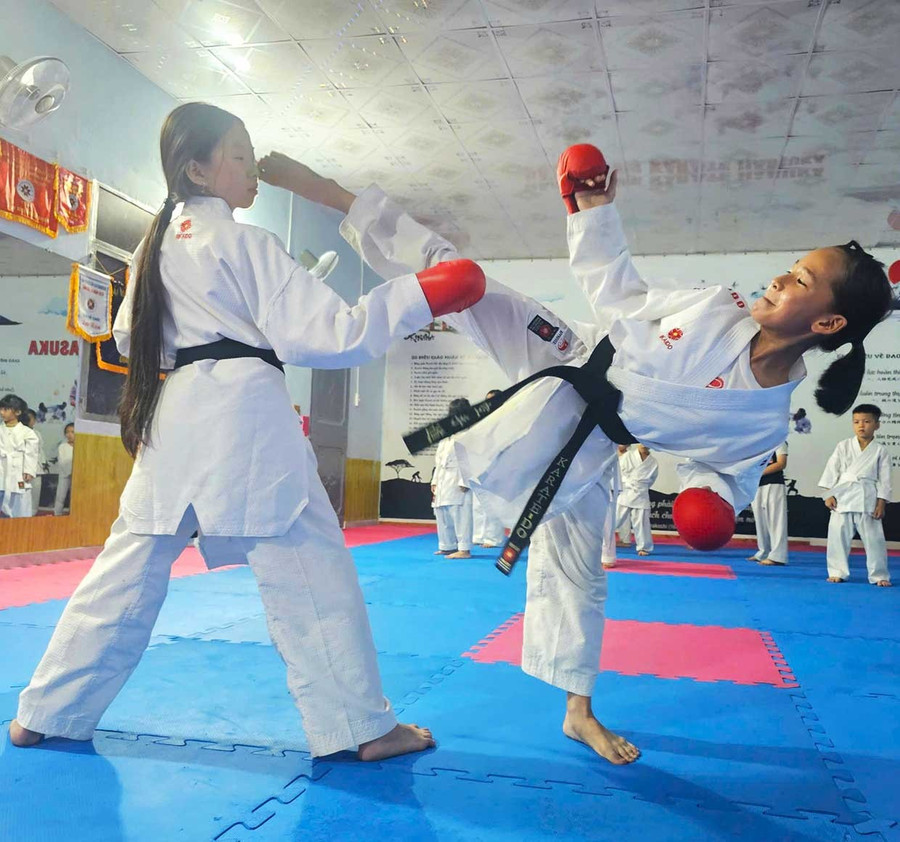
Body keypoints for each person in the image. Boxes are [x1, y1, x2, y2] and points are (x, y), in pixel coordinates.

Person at [257, 144, 894, 766]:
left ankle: (578, 711)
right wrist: (594, 212)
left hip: (591, 444)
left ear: (827, 324)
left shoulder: (763, 418)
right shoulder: (717, 307)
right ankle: (330, 195)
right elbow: (622, 296)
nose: (780, 278)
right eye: (791, 267)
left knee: (581, 577)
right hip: (568, 351)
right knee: (463, 280)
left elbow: (726, 471)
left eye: (801, 280)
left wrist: (711, 501)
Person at [9, 102, 486, 758]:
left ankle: (46, 711)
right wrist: (422, 294)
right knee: (311, 571)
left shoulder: (152, 247)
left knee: (125, 574)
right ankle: (360, 728)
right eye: (238, 155)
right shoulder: (247, 244)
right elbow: (333, 333)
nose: (252, 168)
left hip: (174, 418)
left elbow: (125, 337)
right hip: (245, 417)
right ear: (198, 170)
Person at [819, 404, 892, 586]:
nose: (861, 426)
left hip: (867, 499)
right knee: (837, 538)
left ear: (877, 425)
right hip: (843, 497)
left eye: (866, 421)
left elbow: (884, 480)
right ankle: (837, 572)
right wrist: (828, 493)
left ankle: (879, 575)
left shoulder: (880, 450)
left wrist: (881, 502)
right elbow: (832, 470)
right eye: (856, 422)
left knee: (875, 541)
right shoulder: (843, 446)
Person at [431, 398, 474, 559]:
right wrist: (435, 481)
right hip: (443, 477)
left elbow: (471, 459)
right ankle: (447, 545)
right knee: (441, 511)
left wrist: (465, 480)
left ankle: (464, 549)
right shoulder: (446, 436)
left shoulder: (469, 434)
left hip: (458, 477)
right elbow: (438, 461)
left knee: (460, 514)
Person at [472, 388, 507, 548]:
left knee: (493, 502)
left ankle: (493, 538)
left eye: (492, 400)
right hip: (480, 463)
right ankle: (479, 535)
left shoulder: (506, 419)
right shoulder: (481, 420)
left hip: (497, 464)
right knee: (478, 502)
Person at [748, 441, 789, 565]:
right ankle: (763, 552)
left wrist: (758, 473)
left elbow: (781, 463)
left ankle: (778, 556)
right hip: (757, 485)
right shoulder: (756, 444)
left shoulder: (779, 441)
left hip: (774, 483)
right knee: (761, 521)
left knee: (776, 521)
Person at [0, 394, 39, 518]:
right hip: (1, 470)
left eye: (6, 409)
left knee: (20, 509)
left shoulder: (28, 432)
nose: (2, 412)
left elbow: (31, 453)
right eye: (1, 409)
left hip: (18, 473)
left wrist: (29, 470)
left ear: (18, 412)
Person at [615, 444, 658, 556]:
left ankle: (644, 547)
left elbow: (652, 480)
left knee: (642, 522)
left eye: (647, 443)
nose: (644, 445)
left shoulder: (653, 462)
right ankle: (601, 542)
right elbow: (618, 472)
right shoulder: (627, 455)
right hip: (626, 491)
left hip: (641, 493)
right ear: (638, 443)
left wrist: (641, 487)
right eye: (641, 442)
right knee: (615, 519)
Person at [23, 408, 50, 516]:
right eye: (27, 418)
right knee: (22, 494)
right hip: (22, 470)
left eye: (32, 418)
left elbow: (40, 450)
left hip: (36, 470)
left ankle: (32, 514)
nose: (31, 420)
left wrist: (44, 463)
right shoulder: (17, 432)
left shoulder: (37, 433)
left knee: (35, 493)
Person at [53, 422, 75, 516]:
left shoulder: (81, 446)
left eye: (72, 432)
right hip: (65, 475)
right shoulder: (62, 446)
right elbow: (62, 462)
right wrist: (70, 472)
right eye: (67, 432)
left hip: (77, 476)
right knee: (60, 496)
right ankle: (57, 514)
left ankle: (73, 514)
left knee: (74, 497)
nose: (69, 434)